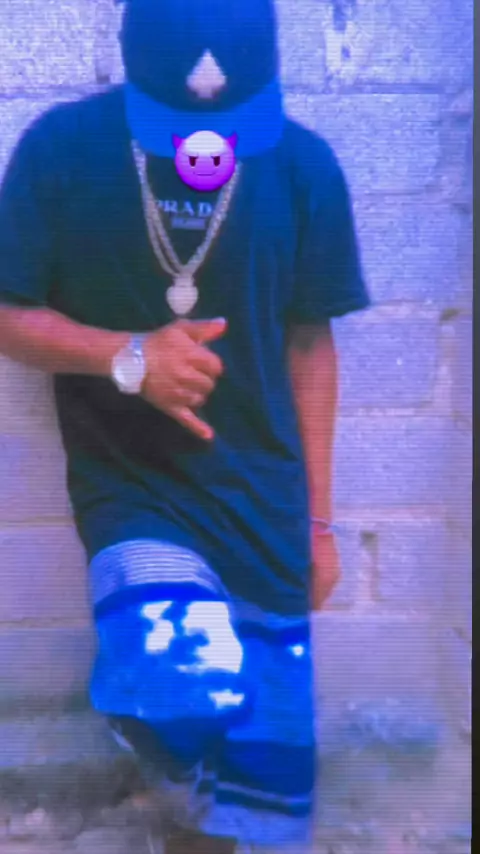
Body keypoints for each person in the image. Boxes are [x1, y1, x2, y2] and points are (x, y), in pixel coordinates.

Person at [0, 0, 370, 851]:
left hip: (264, 496)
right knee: (175, 678)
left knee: (262, 785)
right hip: (136, 488)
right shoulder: (62, 152)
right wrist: (127, 355)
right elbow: (7, 312)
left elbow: (310, 345)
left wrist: (319, 525)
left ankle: (199, 830)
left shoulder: (302, 165)